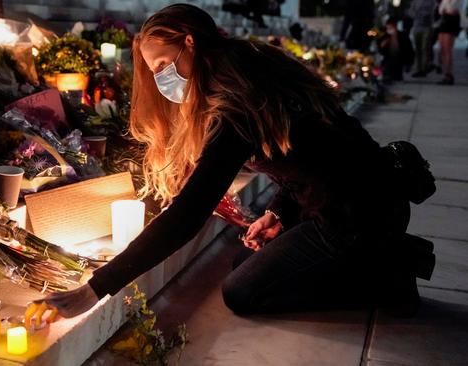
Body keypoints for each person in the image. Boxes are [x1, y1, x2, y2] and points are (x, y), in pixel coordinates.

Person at [40, 4, 424, 319]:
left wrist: (97, 288)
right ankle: (367, 255)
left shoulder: (235, 103)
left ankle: (389, 272)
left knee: (242, 293)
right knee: (244, 260)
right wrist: (279, 213)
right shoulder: (246, 61)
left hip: (357, 217)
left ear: (188, 43)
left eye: (160, 66)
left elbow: (188, 215)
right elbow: (312, 154)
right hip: (363, 197)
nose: (159, 80)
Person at [378, 18, 415, 82]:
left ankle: (396, 75)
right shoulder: (385, 36)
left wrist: (409, 63)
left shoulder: (402, 36)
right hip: (388, 58)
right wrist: (384, 44)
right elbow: (381, 50)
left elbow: (409, 50)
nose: (389, 30)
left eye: (391, 27)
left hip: (400, 58)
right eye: (388, 28)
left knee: (397, 74)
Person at [408, 0, 437, 77]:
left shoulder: (431, 2)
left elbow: (433, 11)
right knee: (417, 49)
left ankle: (424, 67)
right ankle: (418, 68)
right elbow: (411, 12)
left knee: (425, 47)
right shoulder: (415, 1)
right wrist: (416, 14)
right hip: (417, 26)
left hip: (427, 27)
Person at [437, 0, 462, 84]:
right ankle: (445, 73)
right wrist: (446, 10)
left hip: (451, 21)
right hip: (444, 21)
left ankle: (449, 74)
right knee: (442, 49)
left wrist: (446, 9)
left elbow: (453, 10)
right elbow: (440, 10)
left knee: (447, 49)